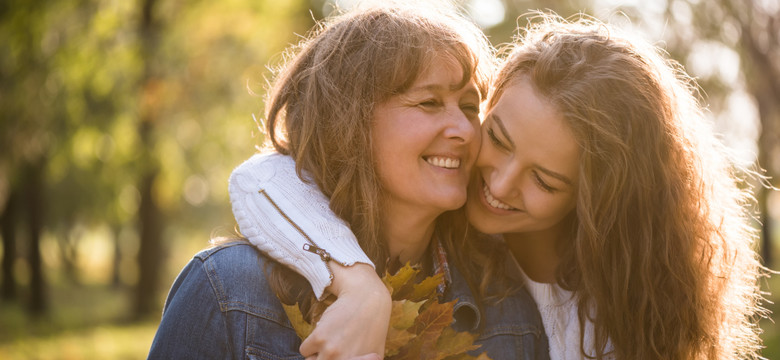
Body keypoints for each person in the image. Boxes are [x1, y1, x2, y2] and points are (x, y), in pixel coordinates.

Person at [235, 13, 767, 360]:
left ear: (597, 201)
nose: (498, 183)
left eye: (544, 179)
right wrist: (359, 285)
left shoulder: (619, 309)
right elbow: (264, 177)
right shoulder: (446, 212)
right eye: (499, 138)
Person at [148, 3, 550, 360]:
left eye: (468, 106)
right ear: (347, 123)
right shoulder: (228, 290)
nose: (464, 129)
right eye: (429, 102)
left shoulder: (505, 309)